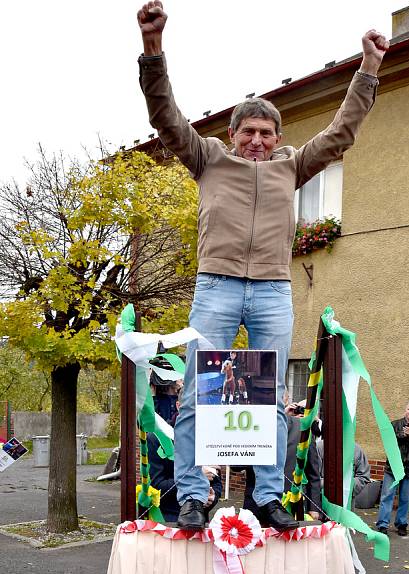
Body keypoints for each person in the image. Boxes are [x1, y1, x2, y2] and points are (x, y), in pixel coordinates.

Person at [137, 2, 389, 530]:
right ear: (233, 135)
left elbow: (342, 131)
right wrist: (153, 49)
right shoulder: (207, 158)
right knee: (199, 397)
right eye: (248, 131)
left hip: (273, 290)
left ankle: (266, 496)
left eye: (266, 133)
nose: (256, 140)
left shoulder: (292, 167)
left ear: (278, 139)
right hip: (217, 288)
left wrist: (368, 69)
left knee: (271, 398)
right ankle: (191, 495)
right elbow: (165, 115)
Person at [240, 400, 321, 522]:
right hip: (256, 508)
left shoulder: (303, 429)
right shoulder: (253, 427)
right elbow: (236, 465)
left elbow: (313, 473)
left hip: (292, 505)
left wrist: (314, 507)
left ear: (286, 400)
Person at [147, 390, 222, 522]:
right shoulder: (157, 438)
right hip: (168, 522)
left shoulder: (208, 438)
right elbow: (156, 487)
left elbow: (216, 480)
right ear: (178, 406)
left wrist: (213, 497)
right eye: (193, 407)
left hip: (200, 520)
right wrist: (195, 475)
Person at [376, 401, 409, 536]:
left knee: (405, 499)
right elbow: (389, 439)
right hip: (393, 467)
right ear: (405, 410)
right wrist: (404, 435)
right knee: (387, 496)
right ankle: (382, 524)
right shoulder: (395, 424)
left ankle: (401, 524)